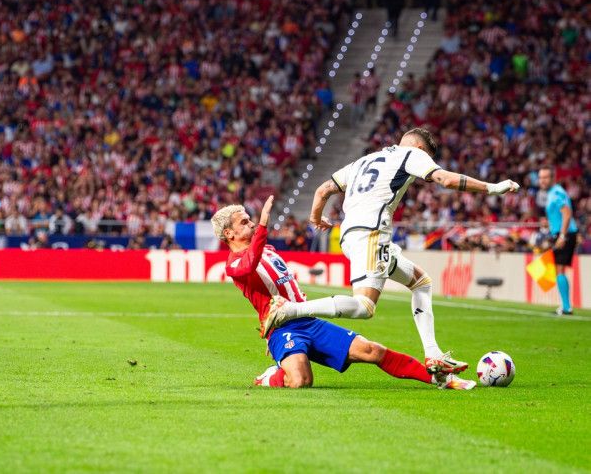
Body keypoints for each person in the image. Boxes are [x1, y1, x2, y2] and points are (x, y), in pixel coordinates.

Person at [266, 127, 519, 374]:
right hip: (371, 233)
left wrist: (316, 218)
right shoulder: (412, 154)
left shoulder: (363, 160)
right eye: (428, 158)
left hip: (351, 235)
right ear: (420, 148)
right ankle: (290, 310)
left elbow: (323, 190)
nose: (427, 165)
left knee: (422, 282)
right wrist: (493, 187)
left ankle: (433, 354)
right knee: (364, 306)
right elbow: (446, 179)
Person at [212, 195, 475, 390]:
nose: (252, 224)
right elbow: (249, 263)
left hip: (309, 320)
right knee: (302, 380)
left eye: (251, 220)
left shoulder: (268, 250)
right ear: (229, 233)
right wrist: (264, 226)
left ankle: (440, 379)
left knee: (372, 350)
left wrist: (316, 219)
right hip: (283, 329)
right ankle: (271, 375)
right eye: (245, 222)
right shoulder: (235, 264)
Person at [538, 166, 578, 315]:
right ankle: (565, 306)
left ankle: (567, 307)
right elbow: (560, 216)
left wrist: (562, 236)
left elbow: (567, 214)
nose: (542, 180)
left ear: (553, 178)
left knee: (559, 269)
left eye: (545, 177)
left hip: (565, 234)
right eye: (541, 177)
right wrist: (549, 223)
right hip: (562, 233)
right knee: (557, 269)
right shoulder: (552, 193)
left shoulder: (556, 192)